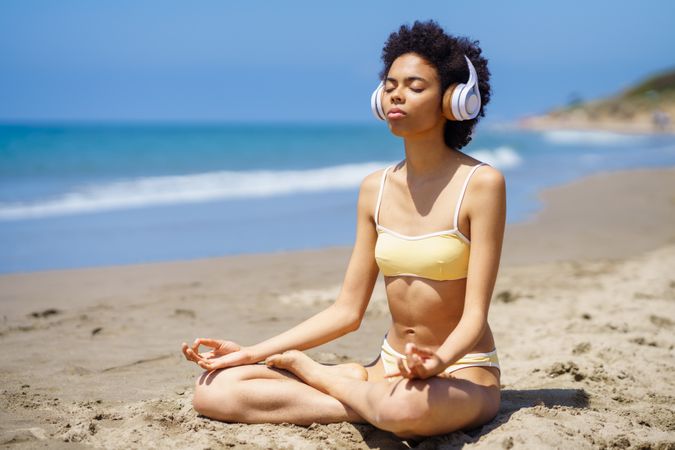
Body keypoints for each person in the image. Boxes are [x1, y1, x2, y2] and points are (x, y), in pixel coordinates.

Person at [181, 19, 506, 439]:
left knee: (407, 407)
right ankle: (364, 398)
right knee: (214, 392)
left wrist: (437, 363)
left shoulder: (481, 184)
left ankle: (331, 381)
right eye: (390, 84)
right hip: (387, 369)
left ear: (454, 100)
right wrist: (253, 352)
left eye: (414, 86)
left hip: (462, 372)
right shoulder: (375, 188)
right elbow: (347, 312)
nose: (396, 94)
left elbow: (475, 317)